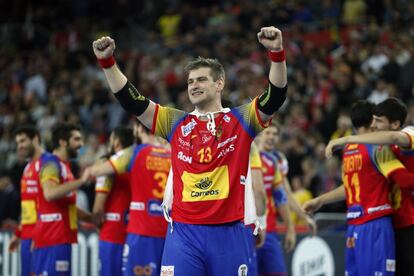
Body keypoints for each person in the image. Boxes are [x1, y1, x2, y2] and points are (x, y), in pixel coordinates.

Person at [92, 26, 287, 275]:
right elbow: (133, 101)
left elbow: (276, 96)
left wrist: (277, 54)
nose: (194, 85)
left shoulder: (240, 120)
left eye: (201, 79)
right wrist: (108, 62)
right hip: (184, 234)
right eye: (190, 81)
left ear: (220, 84)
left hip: (229, 233)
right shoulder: (176, 123)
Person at [304, 100, 414, 276]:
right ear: (370, 121)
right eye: (375, 120)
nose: (376, 124)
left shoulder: (349, 149)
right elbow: (402, 179)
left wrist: (320, 200)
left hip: (359, 224)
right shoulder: (377, 148)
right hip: (376, 222)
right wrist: (320, 200)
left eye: (379, 120)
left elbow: (351, 185)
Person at [87, 121, 171, 276]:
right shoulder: (170, 153)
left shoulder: (135, 152)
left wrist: (93, 169)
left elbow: (97, 171)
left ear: (139, 128)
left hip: (141, 230)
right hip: (167, 232)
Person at [33, 123, 92, 275]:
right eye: (76, 140)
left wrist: (92, 219)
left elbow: (67, 204)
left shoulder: (64, 167)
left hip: (60, 238)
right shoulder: (51, 164)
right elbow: (50, 194)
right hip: (52, 238)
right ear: (62, 142)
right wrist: (81, 181)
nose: (81, 144)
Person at [255, 124, 297, 276]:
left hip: (269, 230)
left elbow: (282, 197)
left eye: (275, 134)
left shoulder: (273, 162)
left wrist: (290, 228)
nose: (271, 137)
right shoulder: (238, 158)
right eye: (267, 133)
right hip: (244, 231)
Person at [92, 126, 133, 276]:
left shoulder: (107, 166)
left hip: (112, 235)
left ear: (116, 142)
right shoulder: (138, 162)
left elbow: (97, 209)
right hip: (135, 233)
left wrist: (97, 223)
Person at [8, 125, 45, 276]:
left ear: (35, 139)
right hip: (26, 238)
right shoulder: (27, 168)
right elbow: (28, 209)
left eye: (23, 141)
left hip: (41, 238)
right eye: (17, 143)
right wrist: (18, 233)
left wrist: (40, 236)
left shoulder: (47, 164)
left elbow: (49, 206)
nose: (20, 146)